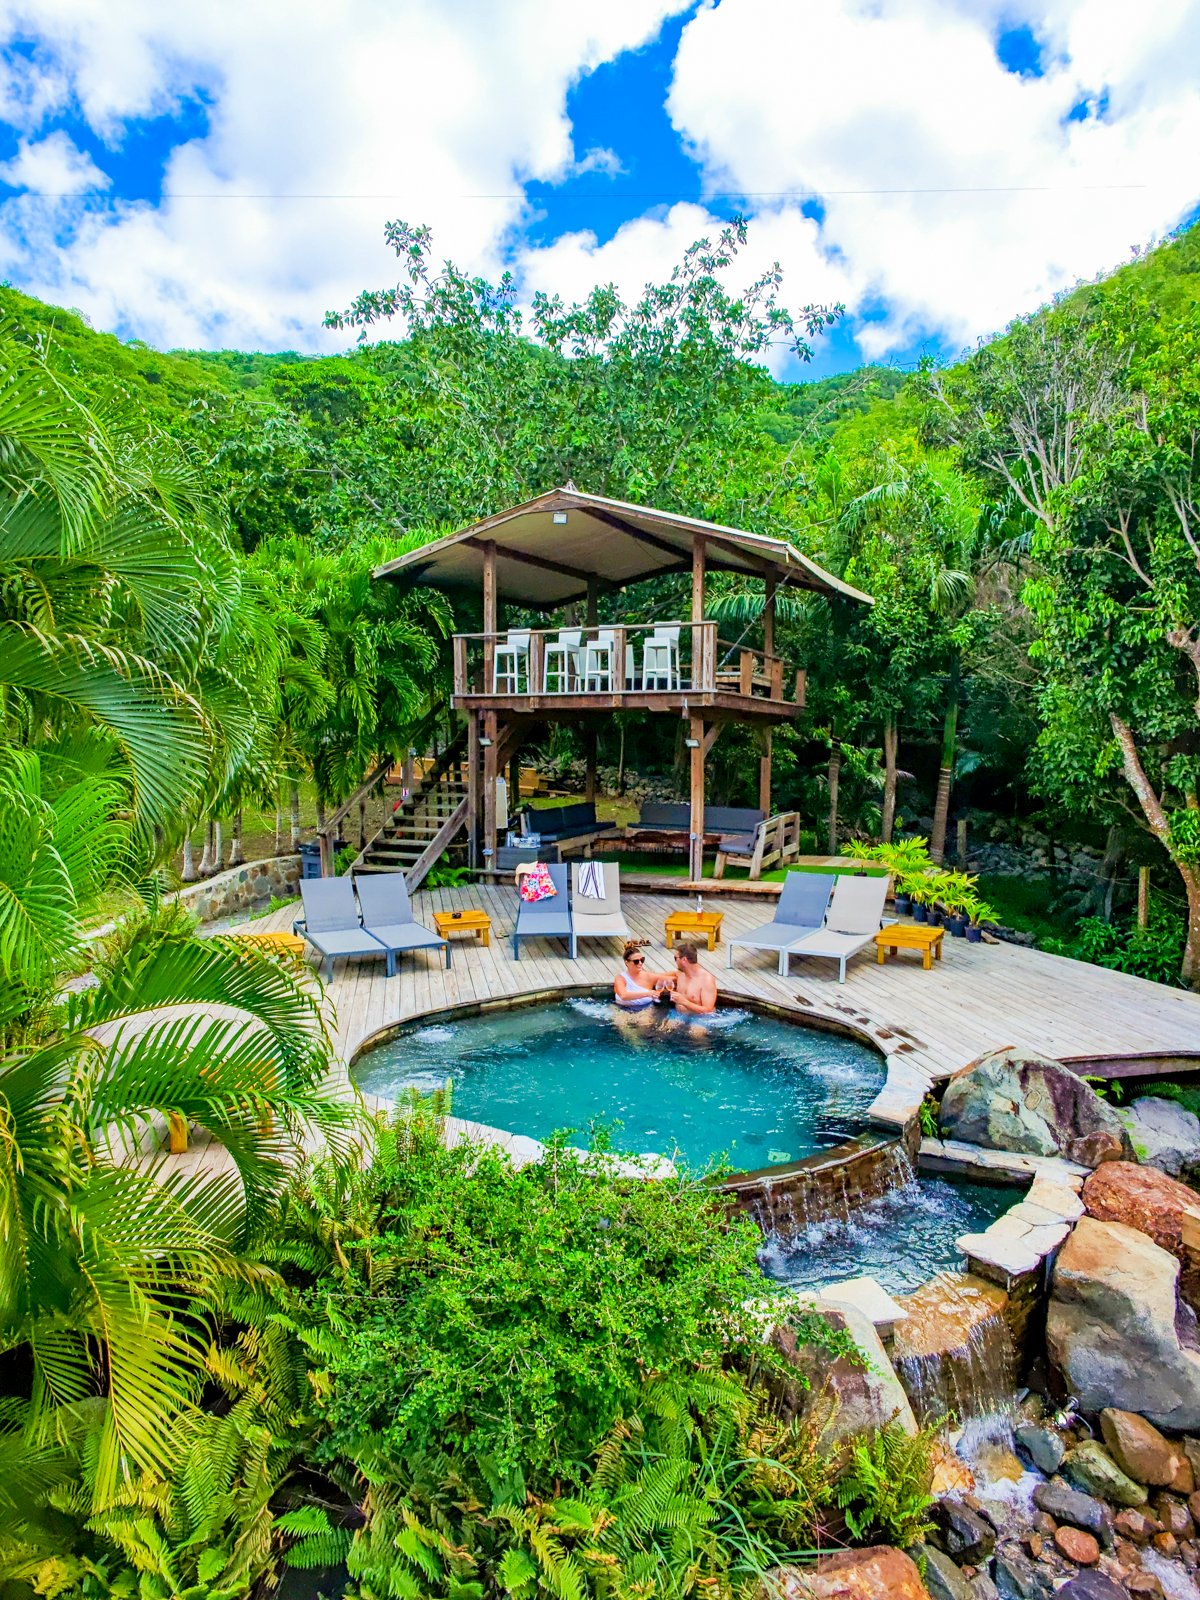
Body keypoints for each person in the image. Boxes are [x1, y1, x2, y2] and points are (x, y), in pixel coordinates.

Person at [613, 941, 674, 1008]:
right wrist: (647, 994)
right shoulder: (620, 978)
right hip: (622, 1009)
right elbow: (623, 996)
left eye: (642, 960)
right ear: (627, 963)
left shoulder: (648, 976)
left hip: (645, 1010)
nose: (640, 963)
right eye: (636, 961)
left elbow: (672, 978)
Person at [666, 942, 718, 1015]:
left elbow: (708, 1010)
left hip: (699, 1018)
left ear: (684, 960)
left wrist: (684, 1002)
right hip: (678, 1016)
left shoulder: (706, 980)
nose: (675, 961)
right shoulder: (680, 974)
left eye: (675, 958)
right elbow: (654, 977)